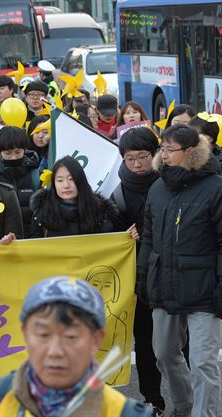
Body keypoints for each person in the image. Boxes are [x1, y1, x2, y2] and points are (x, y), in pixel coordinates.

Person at [0, 276, 152, 417]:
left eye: (70, 337)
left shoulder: (123, 412)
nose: (55, 351)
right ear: (26, 335)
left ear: (96, 340)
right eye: (43, 335)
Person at [138, 125, 222, 417]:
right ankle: (184, 406)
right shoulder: (158, 187)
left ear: (190, 152)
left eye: (170, 149)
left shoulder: (215, 187)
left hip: (205, 289)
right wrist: (143, 277)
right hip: (164, 284)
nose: (165, 154)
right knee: (163, 352)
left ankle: (205, 413)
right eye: (163, 148)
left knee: (203, 362)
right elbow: (148, 236)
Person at [109, 127, 165, 415]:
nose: (138, 164)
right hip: (136, 279)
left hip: (168, 275)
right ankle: (153, 399)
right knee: (144, 343)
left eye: (143, 156)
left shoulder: (169, 182)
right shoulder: (116, 192)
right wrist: (121, 233)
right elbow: (106, 236)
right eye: (131, 158)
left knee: (177, 345)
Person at [30, 156, 133, 239]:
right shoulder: (42, 212)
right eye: (60, 180)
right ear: (54, 183)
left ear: (81, 181)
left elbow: (112, 242)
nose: (66, 185)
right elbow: (33, 248)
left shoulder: (100, 210)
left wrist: (127, 237)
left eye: (71, 179)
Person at [0, 126, 41, 236]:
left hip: (33, 239)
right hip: (2, 240)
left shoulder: (37, 174)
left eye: (18, 152)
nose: (14, 157)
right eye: (8, 153)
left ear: (24, 150)